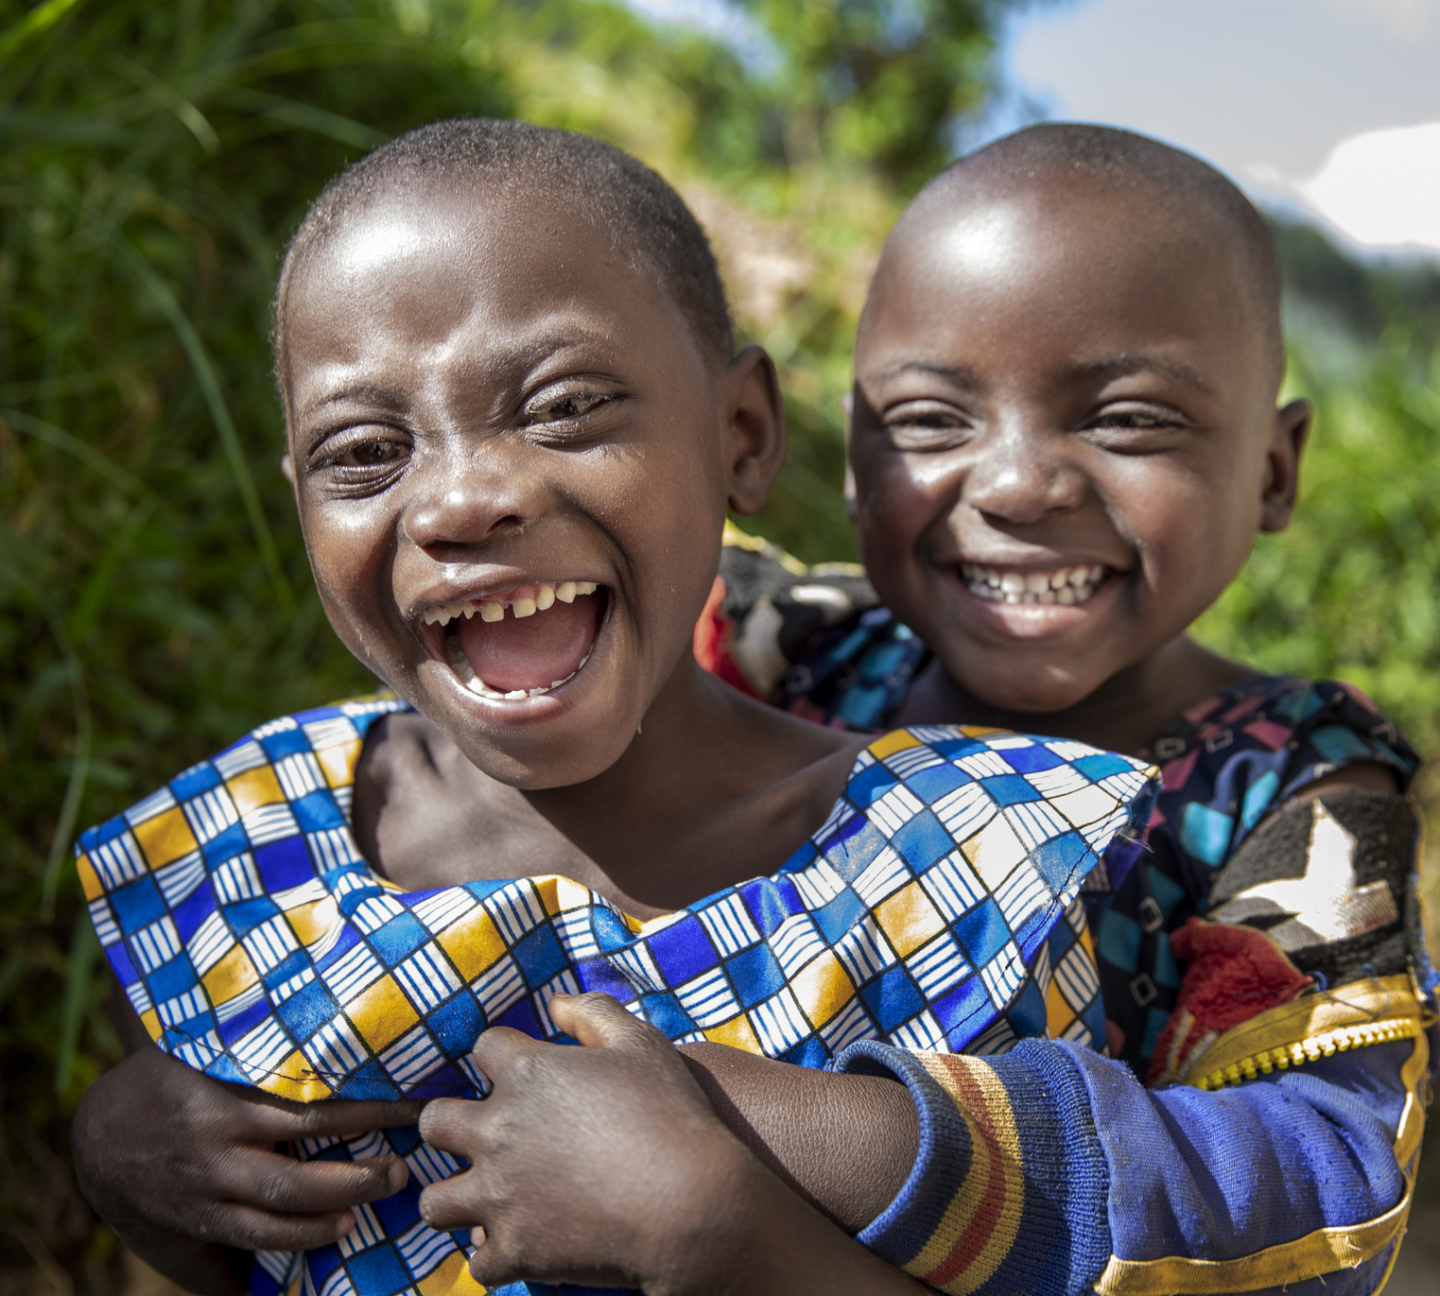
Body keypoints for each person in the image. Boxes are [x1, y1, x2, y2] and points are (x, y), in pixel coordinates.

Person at [69, 120, 1158, 1296]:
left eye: (563, 405)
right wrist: (121, 1167)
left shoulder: (960, 873)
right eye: (364, 452)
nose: (461, 499)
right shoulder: (236, 860)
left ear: (740, 435)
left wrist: (737, 1239)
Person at [673, 122, 1435, 1293]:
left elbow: (1326, 1187)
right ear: (850, 453)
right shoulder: (793, 652)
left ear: (1275, 470)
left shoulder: (1291, 793)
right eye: (930, 419)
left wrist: (788, 1129)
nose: (1021, 484)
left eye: (1127, 418)